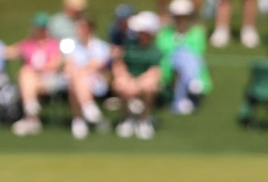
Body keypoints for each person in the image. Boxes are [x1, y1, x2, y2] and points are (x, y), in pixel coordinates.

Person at [5, 13, 63, 136]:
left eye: (42, 28)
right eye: (37, 27)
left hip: (48, 79)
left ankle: (30, 117)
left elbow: (55, 64)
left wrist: (36, 70)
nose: (40, 31)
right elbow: (9, 52)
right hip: (31, 80)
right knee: (26, 73)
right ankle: (32, 117)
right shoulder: (28, 44)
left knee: (26, 73)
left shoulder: (53, 44)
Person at [112, 10, 161, 139]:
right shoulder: (129, 44)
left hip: (142, 82)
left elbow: (154, 72)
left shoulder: (155, 49)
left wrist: (136, 83)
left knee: (150, 87)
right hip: (129, 80)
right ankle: (126, 118)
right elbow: (120, 64)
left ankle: (144, 119)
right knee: (120, 84)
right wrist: (127, 79)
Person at [158, 0, 210, 115]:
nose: (180, 19)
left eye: (183, 16)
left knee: (185, 56)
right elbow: (163, 52)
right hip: (168, 69)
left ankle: (180, 98)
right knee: (180, 55)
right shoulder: (164, 33)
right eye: (177, 16)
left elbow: (197, 52)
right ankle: (192, 84)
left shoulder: (198, 32)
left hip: (192, 67)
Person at [64, 15, 109, 138]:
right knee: (75, 83)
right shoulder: (72, 46)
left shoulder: (100, 45)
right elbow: (68, 65)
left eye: (82, 27)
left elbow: (98, 64)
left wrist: (79, 71)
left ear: (90, 28)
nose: (79, 30)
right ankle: (88, 108)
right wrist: (76, 71)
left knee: (76, 82)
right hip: (77, 79)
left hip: (96, 82)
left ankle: (78, 119)